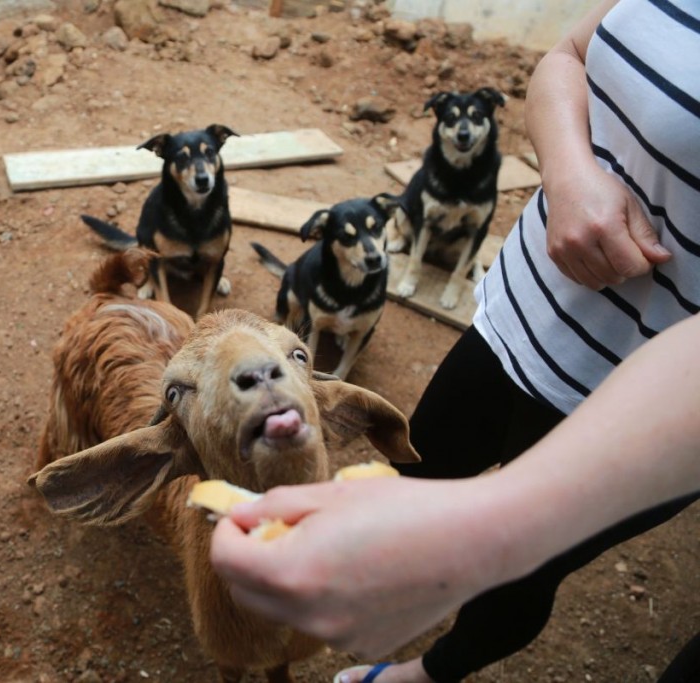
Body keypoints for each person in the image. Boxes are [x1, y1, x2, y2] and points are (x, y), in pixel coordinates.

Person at [210, 0, 700, 680]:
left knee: (528, 571)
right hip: (514, 314)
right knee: (418, 462)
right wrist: (567, 174)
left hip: (640, 399)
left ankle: (429, 672)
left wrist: (489, 531)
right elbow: (567, 56)